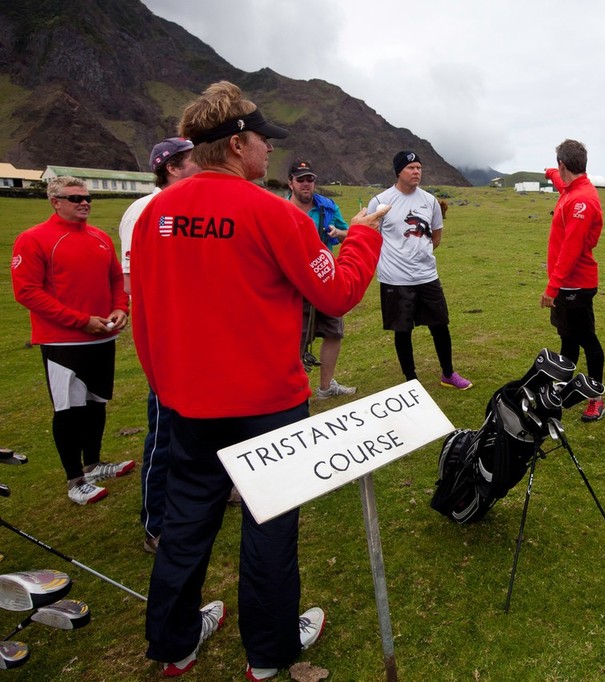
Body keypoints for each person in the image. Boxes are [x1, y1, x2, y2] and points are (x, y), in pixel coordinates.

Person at [130, 80, 387, 679]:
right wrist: (365, 235)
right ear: (239, 143)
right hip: (267, 402)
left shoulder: (153, 215)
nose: (269, 152)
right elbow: (337, 290)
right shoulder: (273, 211)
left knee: (186, 517)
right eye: (263, 142)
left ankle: (174, 644)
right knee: (269, 521)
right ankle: (269, 654)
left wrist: (166, 385)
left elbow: (141, 312)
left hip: (186, 400)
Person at [11, 176, 135, 505]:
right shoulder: (34, 239)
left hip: (101, 338)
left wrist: (120, 308)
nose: (84, 203)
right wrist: (80, 321)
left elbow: (114, 279)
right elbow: (27, 292)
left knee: (96, 405)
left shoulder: (99, 238)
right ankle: (74, 479)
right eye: (75, 198)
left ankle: (94, 465)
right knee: (69, 411)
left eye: (88, 197)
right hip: (64, 342)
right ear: (55, 201)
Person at [118, 137, 200, 554]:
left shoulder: (190, 204)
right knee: (165, 431)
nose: (202, 166)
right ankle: (157, 523)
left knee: (206, 426)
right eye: (193, 161)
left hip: (201, 339)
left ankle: (212, 493)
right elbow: (138, 284)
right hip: (170, 344)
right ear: (171, 167)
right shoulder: (146, 211)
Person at [368, 151, 472, 390]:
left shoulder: (429, 200)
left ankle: (448, 373)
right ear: (398, 172)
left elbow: (436, 236)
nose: (416, 172)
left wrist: (419, 255)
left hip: (427, 276)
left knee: (440, 325)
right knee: (402, 330)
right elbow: (371, 236)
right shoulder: (381, 201)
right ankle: (411, 381)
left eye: (419, 167)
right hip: (395, 278)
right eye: (410, 168)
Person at [541, 139, 605, 422]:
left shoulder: (581, 200)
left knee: (586, 339)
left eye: (558, 168)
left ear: (564, 164)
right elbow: (560, 181)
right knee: (567, 338)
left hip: (576, 284)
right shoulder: (571, 187)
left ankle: (596, 397)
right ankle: (564, 388)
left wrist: (552, 287)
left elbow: (572, 248)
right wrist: (549, 173)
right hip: (568, 283)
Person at [286, 160, 357, 399]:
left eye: (310, 179)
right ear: (290, 183)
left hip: (327, 278)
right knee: (295, 335)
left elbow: (350, 233)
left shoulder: (328, 207)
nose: (306, 184)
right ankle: (294, 390)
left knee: (333, 332)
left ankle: (326, 388)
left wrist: (338, 233)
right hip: (294, 283)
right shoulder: (280, 209)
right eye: (301, 179)